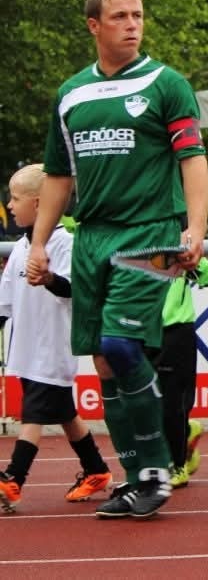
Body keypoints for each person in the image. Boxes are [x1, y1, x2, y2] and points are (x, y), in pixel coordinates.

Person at [27, 0, 208, 518]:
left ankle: (156, 469)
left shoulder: (166, 83)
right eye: (120, 16)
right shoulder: (71, 94)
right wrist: (38, 243)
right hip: (93, 236)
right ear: (94, 26)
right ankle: (132, 477)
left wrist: (193, 227)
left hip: (150, 232)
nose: (133, 24)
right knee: (104, 360)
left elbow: (193, 160)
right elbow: (58, 177)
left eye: (138, 15)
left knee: (123, 345)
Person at [0, 165, 112, 513]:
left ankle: (12, 480)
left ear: (39, 203)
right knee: (64, 411)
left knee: (32, 414)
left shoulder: (65, 243)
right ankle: (96, 470)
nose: (10, 204)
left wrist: (48, 278)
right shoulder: (21, 247)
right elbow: (5, 303)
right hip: (27, 348)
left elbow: (74, 288)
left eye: (16, 198)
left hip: (53, 347)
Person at [155, 257, 208, 488]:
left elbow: (207, 272)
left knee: (171, 404)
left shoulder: (175, 244)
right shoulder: (120, 239)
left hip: (174, 330)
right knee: (144, 404)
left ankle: (177, 465)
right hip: (134, 330)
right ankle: (186, 432)